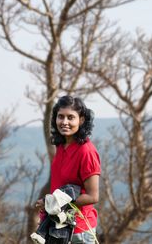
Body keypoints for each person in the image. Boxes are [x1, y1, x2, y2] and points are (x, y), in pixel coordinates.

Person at [35, 95, 101, 244]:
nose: (65, 122)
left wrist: (52, 202)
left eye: (71, 117)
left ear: (81, 120)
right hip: (59, 227)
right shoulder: (61, 145)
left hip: (79, 232)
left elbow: (93, 196)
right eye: (61, 117)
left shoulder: (86, 151)